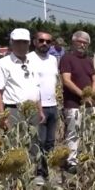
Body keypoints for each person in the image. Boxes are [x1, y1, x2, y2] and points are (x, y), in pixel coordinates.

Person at [0, 28, 46, 183]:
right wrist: (1, 116)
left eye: (24, 42)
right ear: (11, 43)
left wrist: (40, 110)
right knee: (15, 143)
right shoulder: (3, 64)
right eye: (17, 42)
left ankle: (32, 175)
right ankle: (16, 179)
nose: (21, 46)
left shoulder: (33, 62)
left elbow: (36, 88)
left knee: (34, 143)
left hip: (32, 111)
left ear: (29, 43)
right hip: (14, 109)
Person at [59, 31, 95, 174]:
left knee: (90, 132)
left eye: (85, 42)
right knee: (73, 133)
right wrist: (82, 94)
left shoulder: (89, 60)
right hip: (73, 103)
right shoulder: (66, 59)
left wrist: (91, 94)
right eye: (79, 41)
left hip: (89, 104)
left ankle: (87, 158)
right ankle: (71, 162)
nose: (82, 44)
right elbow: (66, 80)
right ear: (73, 42)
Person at [27, 31, 59, 172]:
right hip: (37, 107)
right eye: (41, 40)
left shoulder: (53, 59)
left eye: (48, 41)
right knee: (38, 141)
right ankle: (38, 171)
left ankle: (48, 170)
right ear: (34, 42)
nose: (44, 43)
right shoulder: (28, 59)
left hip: (53, 105)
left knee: (50, 141)